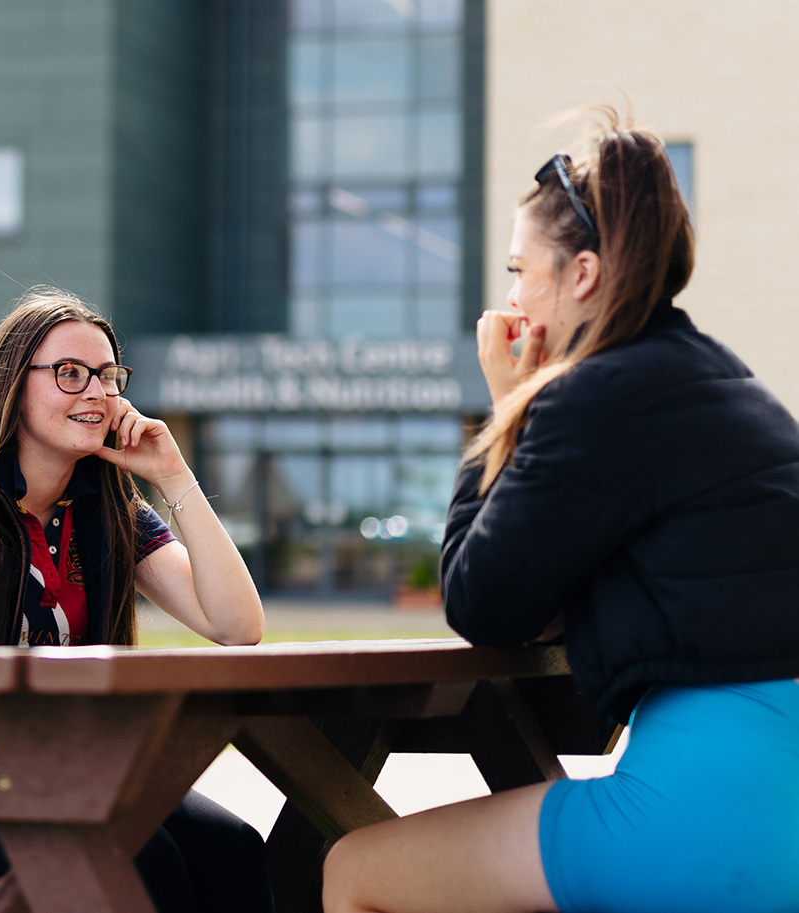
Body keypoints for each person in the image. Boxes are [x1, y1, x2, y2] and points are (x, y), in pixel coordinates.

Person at [322, 111, 799, 913]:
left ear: (581, 275)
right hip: (770, 801)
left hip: (709, 814)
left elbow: (480, 602)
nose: (510, 298)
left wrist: (506, 409)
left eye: (519, 270)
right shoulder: (727, 381)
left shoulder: (595, 400)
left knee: (355, 869)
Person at [0, 286, 273, 913]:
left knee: (232, 848)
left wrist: (172, 475)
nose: (97, 393)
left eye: (107, 376)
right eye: (69, 374)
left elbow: (236, 625)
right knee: (141, 857)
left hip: (58, 772)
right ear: (12, 385)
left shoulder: (105, 506)